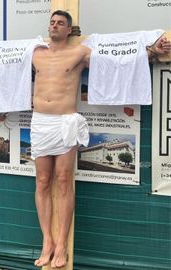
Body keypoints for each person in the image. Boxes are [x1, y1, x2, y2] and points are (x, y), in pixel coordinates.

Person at [31, 10, 170, 268]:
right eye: (52, 22)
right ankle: (46, 241)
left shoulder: (79, 53)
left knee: (63, 180)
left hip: (65, 121)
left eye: (60, 23)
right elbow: (0, 62)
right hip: (40, 122)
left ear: (69, 29)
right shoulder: (36, 52)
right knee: (42, 181)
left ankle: (61, 244)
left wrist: (150, 51)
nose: (54, 26)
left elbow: (116, 61)